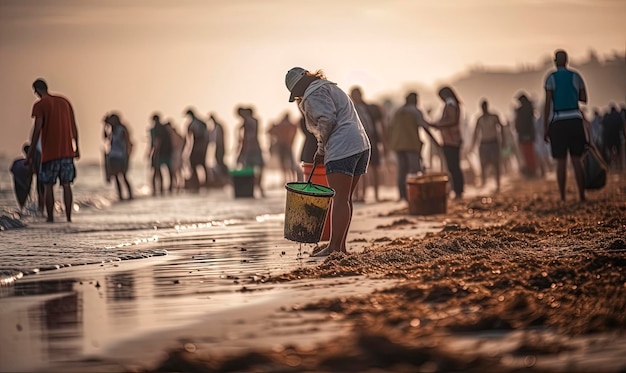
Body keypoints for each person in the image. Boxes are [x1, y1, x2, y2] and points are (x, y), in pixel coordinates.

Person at [285, 67, 371, 257]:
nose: (298, 97)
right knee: (345, 198)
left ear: (300, 86)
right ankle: (340, 247)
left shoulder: (313, 94)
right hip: (361, 145)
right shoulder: (331, 88)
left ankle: (334, 247)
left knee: (339, 198)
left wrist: (321, 149)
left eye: (297, 93)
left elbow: (327, 120)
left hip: (342, 147)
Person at [26, 78, 80, 222]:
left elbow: (37, 130)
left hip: (50, 153)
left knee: (48, 185)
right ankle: (68, 218)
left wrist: (30, 154)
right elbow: (74, 126)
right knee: (67, 185)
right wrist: (77, 147)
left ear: (36, 90)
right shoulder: (64, 102)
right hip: (67, 152)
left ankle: (50, 218)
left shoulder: (40, 105)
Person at [543, 49, 588, 202]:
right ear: (567, 61)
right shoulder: (576, 76)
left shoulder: (551, 78)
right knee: (577, 160)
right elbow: (584, 98)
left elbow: (547, 104)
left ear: (555, 61)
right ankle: (581, 195)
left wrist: (545, 127)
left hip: (558, 119)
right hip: (575, 117)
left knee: (561, 161)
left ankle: (562, 196)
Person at [388, 92, 430, 201]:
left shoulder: (397, 111)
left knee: (402, 171)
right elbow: (424, 126)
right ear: (415, 100)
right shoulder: (415, 111)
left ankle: (403, 195)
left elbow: (390, 127)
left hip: (398, 144)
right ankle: (416, 195)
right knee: (414, 170)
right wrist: (435, 141)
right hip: (411, 144)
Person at [431, 86, 464, 200]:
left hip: (451, 140)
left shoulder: (451, 105)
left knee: (453, 166)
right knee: (453, 166)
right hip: (450, 139)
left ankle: (458, 191)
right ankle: (457, 190)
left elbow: (452, 120)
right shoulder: (453, 104)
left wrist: (439, 125)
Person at [350, 87, 381, 202]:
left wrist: (382, 140)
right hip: (357, 140)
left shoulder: (370, 108)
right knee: (358, 169)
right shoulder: (351, 108)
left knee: (374, 167)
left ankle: (376, 194)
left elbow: (378, 124)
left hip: (371, 139)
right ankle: (360, 194)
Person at [471, 99, 504, 191]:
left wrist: (503, 140)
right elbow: (476, 132)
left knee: (496, 163)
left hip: (493, 141)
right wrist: (473, 144)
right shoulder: (479, 119)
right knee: (483, 164)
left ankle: (498, 183)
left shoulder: (494, 116)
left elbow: (501, 127)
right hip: (484, 142)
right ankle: (484, 182)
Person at [236, 107, 265, 197]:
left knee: (250, 169)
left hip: (251, 149)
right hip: (254, 148)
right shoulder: (254, 120)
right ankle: (258, 187)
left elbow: (247, 137)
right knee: (257, 168)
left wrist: (241, 150)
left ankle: (253, 187)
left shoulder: (248, 121)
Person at [103, 113, 133, 200]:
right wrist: (105, 126)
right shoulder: (112, 130)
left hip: (121, 156)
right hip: (113, 156)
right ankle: (120, 195)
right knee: (115, 177)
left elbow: (127, 142)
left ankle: (130, 194)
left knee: (123, 175)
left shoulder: (121, 129)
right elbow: (104, 137)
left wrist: (127, 155)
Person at [267, 113, 299, 184]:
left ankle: (289, 178)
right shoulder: (287, 125)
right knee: (288, 163)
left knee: (286, 163)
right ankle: (290, 178)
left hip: (284, 145)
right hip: (285, 145)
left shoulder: (281, 124)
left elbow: (269, 131)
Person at [148, 113, 174, 195]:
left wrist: (152, 152)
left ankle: (157, 189)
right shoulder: (165, 128)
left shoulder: (155, 129)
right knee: (167, 170)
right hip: (167, 151)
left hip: (160, 152)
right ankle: (167, 188)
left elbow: (155, 142)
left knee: (157, 171)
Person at [184, 108, 210, 188]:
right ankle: (206, 181)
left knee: (194, 163)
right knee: (202, 164)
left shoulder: (193, 124)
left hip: (197, 146)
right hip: (203, 146)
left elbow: (190, 136)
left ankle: (197, 182)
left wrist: (188, 148)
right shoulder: (201, 122)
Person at [515, 93, 538, 178]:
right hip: (529, 134)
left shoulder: (519, 110)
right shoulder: (530, 109)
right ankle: (532, 169)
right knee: (530, 152)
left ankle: (530, 170)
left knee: (526, 153)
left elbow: (517, 123)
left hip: (523, 134)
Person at [10, 144, 35, 209]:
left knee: (21, 202)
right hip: (24, 183)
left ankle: (22, 211)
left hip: (18, 182)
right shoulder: (30, 163)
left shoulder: (17, 162)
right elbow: (32, 173)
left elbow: (11, 170)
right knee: (24, 199)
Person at [209, 113, 229, 185]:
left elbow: (219, 138)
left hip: (220, 146)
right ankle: (223, 176)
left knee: (220, 161)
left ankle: (225, 176)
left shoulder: (218, 126)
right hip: (219, 146)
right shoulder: (216, 126)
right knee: (218, 162)